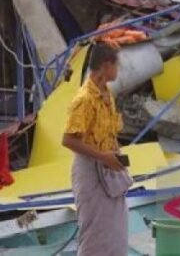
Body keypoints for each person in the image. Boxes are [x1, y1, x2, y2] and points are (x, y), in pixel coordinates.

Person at [61, 42, 128, 255]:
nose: (118, 70)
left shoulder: (107, 94)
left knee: (115, 234)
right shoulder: (84, 99)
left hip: (109, 169)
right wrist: (102, 156)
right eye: (117, 65)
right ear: (106, 66)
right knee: (95, 236)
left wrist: (114, 156)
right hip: (90, 170)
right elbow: (68, 140)